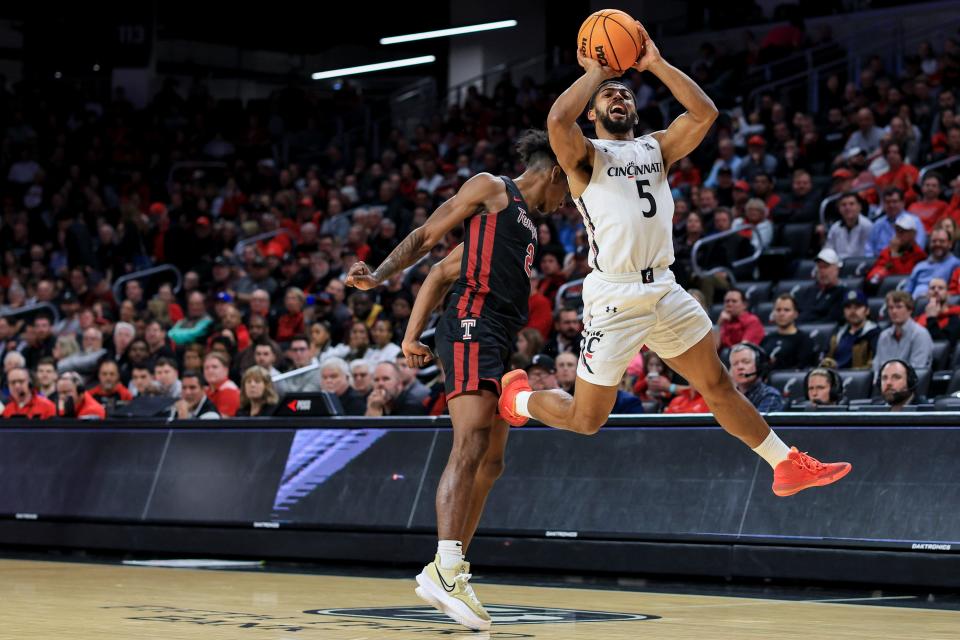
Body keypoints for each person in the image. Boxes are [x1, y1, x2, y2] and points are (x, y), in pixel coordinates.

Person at [499, 30, 847, 528]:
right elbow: (557, 119)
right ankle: (519, 399)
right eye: (608, 96)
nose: (619, 96)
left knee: (718, 383)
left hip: (664, 287)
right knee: (587, 419)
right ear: (593, 114)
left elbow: (705, 113)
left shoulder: (656, 148)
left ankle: (785, 465)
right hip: (614, 295)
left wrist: (655, 63)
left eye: (625, 94)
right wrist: (597, 71)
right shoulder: (586, 157)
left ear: (636, 111)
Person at [348, 128, 570, 630]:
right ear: (555, 172)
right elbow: (428, 236)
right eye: (568, 187)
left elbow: (442, 271)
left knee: (492, 461)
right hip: (471, 325)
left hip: (495, 336)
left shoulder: (522, 227)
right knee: (469, 443)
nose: (567, 200)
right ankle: (446, 567)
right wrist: (380, 276)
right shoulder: (493, 188)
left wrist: (410, 335)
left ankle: (451, 568)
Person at [873, 291, 933, 373]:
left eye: (899, 307)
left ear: (910, 309)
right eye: (890, 307)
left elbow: (917, 370)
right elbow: (877, 367)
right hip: (884, 384)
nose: (894, 311)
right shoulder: (884, 336)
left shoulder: (920, 334)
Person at [761, 294, 817, 370]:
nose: (781, 314)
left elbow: (801, 368)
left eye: (786, 310)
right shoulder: (767, 338)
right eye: (778, 310)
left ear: (796, 314)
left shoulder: (804, 340)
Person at [826, 290, 879, 370]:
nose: (852, 311)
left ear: (867, 310)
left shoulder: (875, 334)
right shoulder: (837, 334)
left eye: (857, 307)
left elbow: (874, 364)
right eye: (848, 307)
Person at [904, 228, 960, 299]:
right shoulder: (920, 266)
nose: (937, 244)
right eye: (934, 241)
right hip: (914, 304)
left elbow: (954, 291)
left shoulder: (956, 264)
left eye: (942, 241)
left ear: (950, 244)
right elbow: (907, 291)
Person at [795, 248, 848, 323]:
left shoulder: (842, 293)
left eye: (826, 267)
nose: (822, 271)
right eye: (819, 267)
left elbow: (832, 320)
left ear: (837, 269)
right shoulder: (809, 291)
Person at [728, 343, 785, 412]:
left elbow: (755, 423)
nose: (740, 367)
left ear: (759, 366)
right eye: (735, 364)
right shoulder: (728, 396)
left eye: (746, 362)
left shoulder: (770, 396)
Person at [824, 193, 873, 259]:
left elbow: (870, 253)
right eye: (844, 205)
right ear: (839, 209)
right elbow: (828, 250)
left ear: (859, 207)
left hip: (861, 264)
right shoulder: (835, 228)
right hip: (839, 265)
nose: (847, 208)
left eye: (851, 204)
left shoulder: (867, 226)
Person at [916, 277, 960, 348]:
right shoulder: (918, 318)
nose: (936, 290)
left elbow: (943, 346)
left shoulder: (956, 317)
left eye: (941, 288)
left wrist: (931, 318)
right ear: (927, 294)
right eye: (932, 288)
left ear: (948, 294)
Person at [203, 352, 240, 417]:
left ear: (226, 370)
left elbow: (222, 422)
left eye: (214, 367)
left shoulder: (230, 391)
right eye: (206, 368)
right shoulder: (206, 390)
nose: (210, 371)